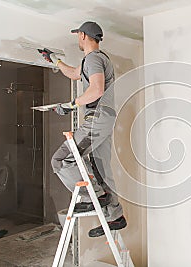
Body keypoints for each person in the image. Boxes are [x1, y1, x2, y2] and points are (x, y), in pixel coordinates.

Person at [39, 21, 126, 237]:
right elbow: (75, 73)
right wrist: (55, 60)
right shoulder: (93, 59)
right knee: (99, 167)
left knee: (61, 159)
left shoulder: (94, 59)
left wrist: (71, 105)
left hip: (98, 116)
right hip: (104, 117)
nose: (77, 38)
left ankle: (91, 197)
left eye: (78, 35)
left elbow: (96, 89)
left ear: (84, 36)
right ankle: (115, 217)